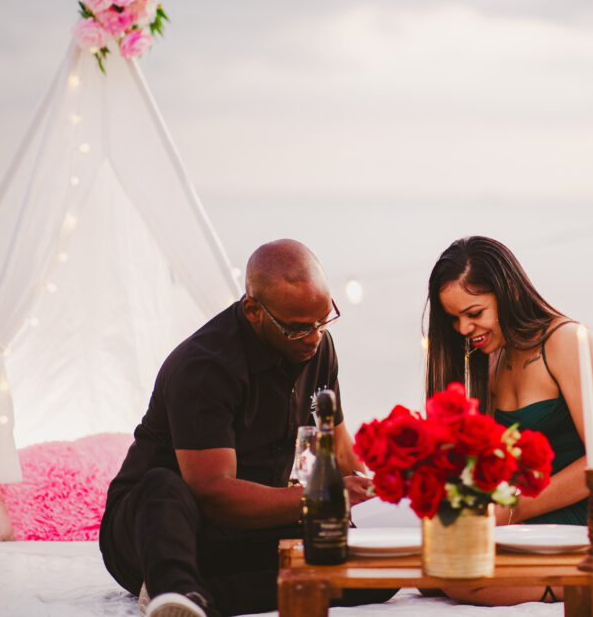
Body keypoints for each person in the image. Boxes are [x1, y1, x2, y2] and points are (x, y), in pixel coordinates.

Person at [100, 239, 396, 617]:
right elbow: (212, 493)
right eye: (297, 328)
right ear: (254, 311)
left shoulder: (319, 347)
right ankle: (173, 585)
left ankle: (201, 598)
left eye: (324, 320)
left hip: (243, 530)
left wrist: (391, 491)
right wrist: (320, 500)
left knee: (373, 573)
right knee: (163, 484)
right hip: (158, 530)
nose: (314, 337)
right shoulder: (205, 367)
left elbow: (339, 452)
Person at [425, 236, 593, 605]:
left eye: (474, 313)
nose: (464, 328)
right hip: (553, 501)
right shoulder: (491, 355)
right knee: (435, 569)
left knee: (464, 581)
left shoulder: (566, 342)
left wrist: (511, 511)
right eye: (454, 319)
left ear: (508, 291)